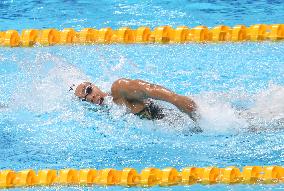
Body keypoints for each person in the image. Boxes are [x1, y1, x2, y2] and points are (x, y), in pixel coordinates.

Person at [72, 78, 198, 121]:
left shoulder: (118, 89)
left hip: (183, 121)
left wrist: (175, 99)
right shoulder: (104, 113)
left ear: (94, 85)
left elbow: (149, 89)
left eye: (88, 90)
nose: (91, 98)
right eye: (84, 99)